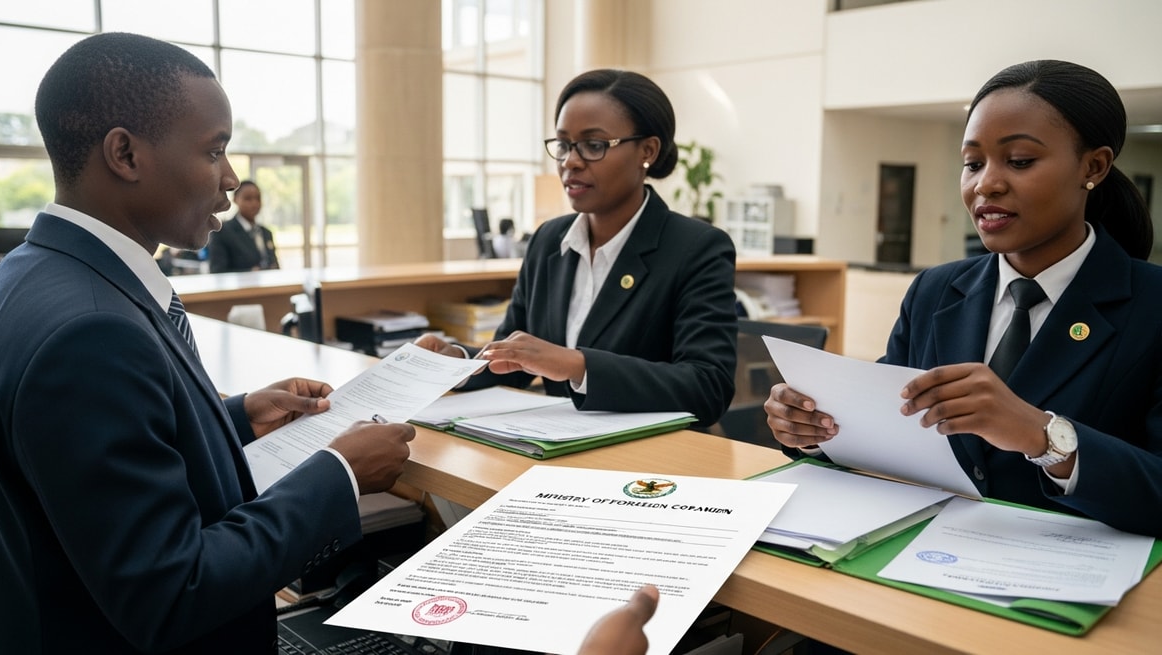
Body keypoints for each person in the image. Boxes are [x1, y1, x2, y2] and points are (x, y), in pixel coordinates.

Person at [0, 33, 417, 653]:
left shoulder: (24, 273)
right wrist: (339, 474)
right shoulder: (91, 334)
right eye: (214, 150)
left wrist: (232, 419)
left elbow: (90, 462)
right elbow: (173, 590)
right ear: (125, 154)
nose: (231, 178)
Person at [765, 59, 1162, 538]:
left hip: (1071, 567)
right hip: (923, 553)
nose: (985, 184)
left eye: (1020, 161)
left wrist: (1045, 438)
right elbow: (886, 427)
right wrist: (814, 430)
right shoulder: (934, 291)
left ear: (1093, 166)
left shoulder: (1151, 305)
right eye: (973, 164)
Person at [416, 69, 737, 427]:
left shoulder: (696, 248)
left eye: (594, 145)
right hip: (553, 443)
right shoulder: (548, 240)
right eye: (564, 145)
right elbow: (515, 360)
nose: (570, 161)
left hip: (648, 452)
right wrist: (457, 362)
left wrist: (578, 366)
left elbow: (708, 386)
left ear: (647, 150)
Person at [207, 179, 280, 272]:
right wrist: (249, 272)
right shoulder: (222, 232)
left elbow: (275, 265)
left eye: (258, 198)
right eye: (248, 199)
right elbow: (217, 270)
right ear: (235, 199)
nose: (254, 203)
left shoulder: (266, 233)